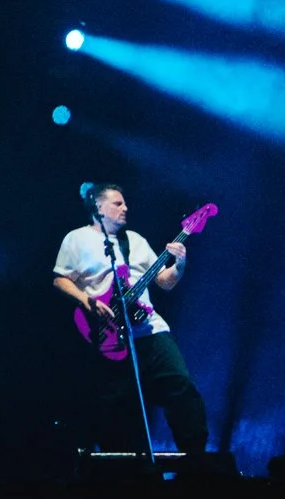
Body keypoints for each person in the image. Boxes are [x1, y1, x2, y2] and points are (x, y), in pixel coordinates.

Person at [51, 181, 207, 454]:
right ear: (98, 207)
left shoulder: (135, 241)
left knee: (182, 389)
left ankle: (196, 461)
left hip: (150, 331)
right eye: (117, 203)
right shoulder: (76, 239)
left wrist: (179, 264)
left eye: (125, 203)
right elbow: (60, 279)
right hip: (110, 336)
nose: (126, 208)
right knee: (117, 406)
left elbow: (165, 282)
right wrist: (87, 301)